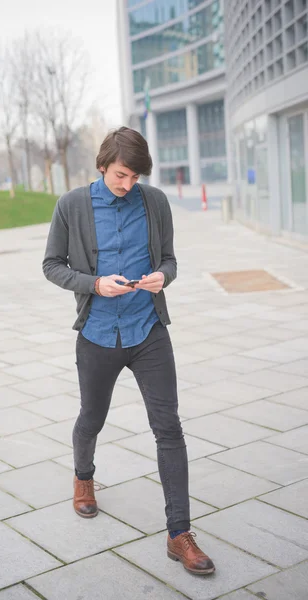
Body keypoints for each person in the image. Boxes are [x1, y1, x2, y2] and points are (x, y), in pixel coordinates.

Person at [42, 126, 215, 575]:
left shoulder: (154, 202)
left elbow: (170, 260)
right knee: (91, 418)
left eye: (136, 176)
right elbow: (52, 266)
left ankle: (180, 534)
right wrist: (94, 284)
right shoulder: (72, 205)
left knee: (169, 429)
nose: (129, 184)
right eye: (122, 174)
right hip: (97, 334)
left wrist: (164, 276)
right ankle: (84, 478)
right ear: (102, 166)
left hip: (148, 330)